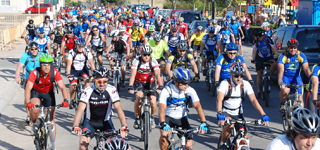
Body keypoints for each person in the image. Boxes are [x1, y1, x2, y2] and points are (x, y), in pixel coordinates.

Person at [71, 66, 130, 150]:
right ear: (94, 80)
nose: (102, 84)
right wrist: (76, 126)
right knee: (82, 147)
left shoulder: (111, 89)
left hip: (106, 122)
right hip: (90, 123)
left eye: (105, 81)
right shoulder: (88, 90)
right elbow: (80, 109)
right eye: (99, 81)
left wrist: (124, 126)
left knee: (115, 146)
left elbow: (118, 108)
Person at [217, 62, 270, 150]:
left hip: (238, 112)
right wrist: (219, 113)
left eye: (241, 76)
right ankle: (222, 143)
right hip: (226, 111)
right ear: (231, 75)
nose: (239, 78)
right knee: (230, 125)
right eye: (236, 76)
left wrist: (263, 114)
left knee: (244, 136)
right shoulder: (225, 84)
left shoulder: (245, 84)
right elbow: (219, 99)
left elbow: (253, 100)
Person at [158, 68, 208, 150]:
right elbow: (161, 108)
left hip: (182, 118)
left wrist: (203, 122)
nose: (186, 85)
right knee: (164, 136)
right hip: (168, 117)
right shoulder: (166, 91)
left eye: (187, 83)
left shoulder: (189, 90)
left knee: (189, 145)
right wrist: (163, 123)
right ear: (176, 82)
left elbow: (198, 106)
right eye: (184, 83)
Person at [25, 53, 69, 139]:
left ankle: (52, 145)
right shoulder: (34, 73)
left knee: (51, 120)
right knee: (35, 109)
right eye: (44, 65)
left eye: (48, 65)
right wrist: (28, 102)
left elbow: (63, 87)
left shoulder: (54, 72)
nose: (47, 67)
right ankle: (34, 124)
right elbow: (28, 89)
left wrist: (66, 100)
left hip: (48, 93)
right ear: (40, 65)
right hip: (36, 92)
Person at [128, 45, 163, 129]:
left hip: (150, 82)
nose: (147, 56)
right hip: (139, 82)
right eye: (145, 55)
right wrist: (130, 86)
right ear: (141, 54)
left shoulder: (153, 61)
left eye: (148, 54)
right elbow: (133, 74)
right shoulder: (136, 61)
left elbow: (158, 74)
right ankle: (137, 119)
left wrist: (161, 86)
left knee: (153, 101)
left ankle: (151, 117)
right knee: (139, 98)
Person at [278, 38, 311, 110]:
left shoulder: (300, 55)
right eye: (291, 48)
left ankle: (300, 116)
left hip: (296, 77)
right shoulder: (283, 56)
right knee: (285, 91)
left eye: (295, 48)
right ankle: (283, 103)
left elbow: (306, 69)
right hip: (286, 77)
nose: (293, 49)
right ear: (288, 48)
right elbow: (281, 70)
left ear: (297, 48)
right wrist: (280, 81)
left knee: (299, 97)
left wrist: (311, 79)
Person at [15, 42, 42, 126]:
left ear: (38, 49)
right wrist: (17, 77)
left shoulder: (42, 54)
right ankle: (28, 114)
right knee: (27, 98)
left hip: (40, 79)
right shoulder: (25, 56)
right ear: (29, 49)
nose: (34, 51)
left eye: (36, 49)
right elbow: (19, 66)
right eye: (32, 49)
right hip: (28, 80)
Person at [67, 38, 95, 109]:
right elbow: (69, 64)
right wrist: (68, 74)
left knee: (87, 82)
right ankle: (72, 100)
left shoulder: (87, 51)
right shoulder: (72, 52)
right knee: (73, 85)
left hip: (83, 69)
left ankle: (85, 98)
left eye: (83, 46)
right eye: (79, 46)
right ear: (76, 45)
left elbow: (91, 63)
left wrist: (94, 74)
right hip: (74, 70)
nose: (81, 48)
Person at [251, 28, 278, 98]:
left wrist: (276, 57)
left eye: (254, 36)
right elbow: (254, 50)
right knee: (259, 73)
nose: (254, 37)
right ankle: (259, 91)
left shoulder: (267, 39)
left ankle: (270, 77)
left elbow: (274, 47)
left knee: (274, 65)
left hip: (268, 56)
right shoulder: (255, 41)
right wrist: (253, 59)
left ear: (258, 35)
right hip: (260, 57)